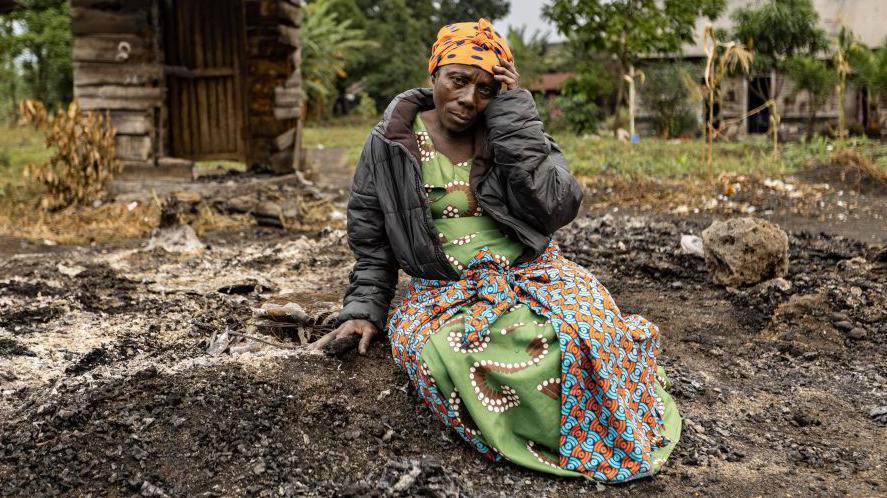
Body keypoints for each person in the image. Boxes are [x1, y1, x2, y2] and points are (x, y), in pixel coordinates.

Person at [311, 18, 681, 482]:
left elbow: (555, 206)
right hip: (444, 292)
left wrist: (514, 120)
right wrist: (364, 309)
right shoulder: (389, 143)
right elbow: (371, 240)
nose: (469, 99)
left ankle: (597, 435)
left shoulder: (508, 129)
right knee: (461, 353)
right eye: (459, 80)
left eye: (486, 88)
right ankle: (543, 441)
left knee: (592, 332)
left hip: (534, 274)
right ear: (435, 74)